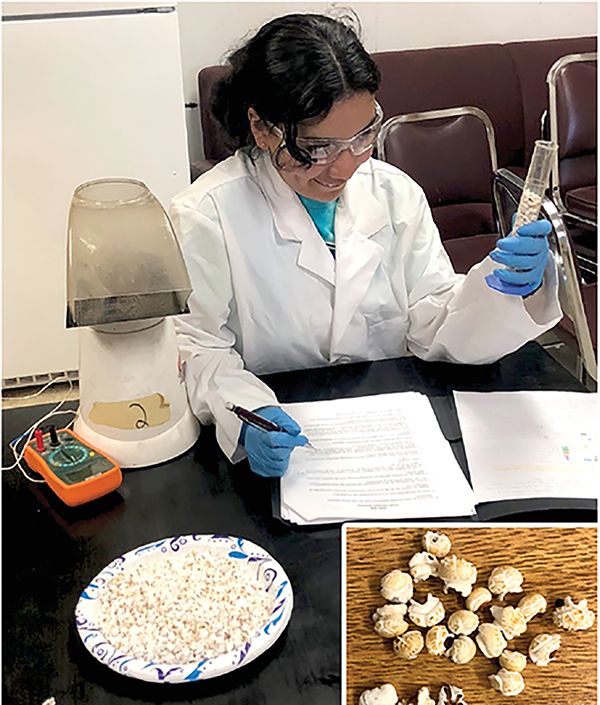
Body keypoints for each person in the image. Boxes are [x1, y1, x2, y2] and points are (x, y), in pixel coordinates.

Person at [170, 12, 561, 478]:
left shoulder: (395, 194)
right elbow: (197, 347)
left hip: (392, 438)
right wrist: (245, 414)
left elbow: (433, 318)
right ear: (261, 126)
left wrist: (502, 290)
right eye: (316, 149)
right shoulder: (206, 214)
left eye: (361, 138)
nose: (343, 169)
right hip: (287, 440)